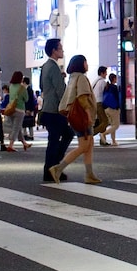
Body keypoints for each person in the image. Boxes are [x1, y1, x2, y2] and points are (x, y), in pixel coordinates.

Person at [49, 55, 101, 184]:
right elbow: (82, 98)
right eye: (86, 62)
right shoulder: (81, 78)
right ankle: (58, 169)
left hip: (74, 116)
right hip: (83, 116)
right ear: (81, 64)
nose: (87, 65)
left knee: (88, 145)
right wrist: (89, 115)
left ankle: (89, 174)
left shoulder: (72, 78)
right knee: (84, 146)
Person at [40, 39, 72, 182]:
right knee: (60, 138)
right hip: (55, 110)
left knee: (56, 139)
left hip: (48, 109)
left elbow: (44, 86)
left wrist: (61, 77)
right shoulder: (53, 67)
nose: (62, 50)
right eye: (60, 48)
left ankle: (52, 169)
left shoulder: (46, 66)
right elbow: (61, 90)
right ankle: (52, 169)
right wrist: (67, 106)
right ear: (54, 50)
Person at [3, 71, 30, 152]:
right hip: (20, 110)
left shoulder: (11, 86)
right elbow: (26, 99)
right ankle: (10, 145)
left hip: (11, 109)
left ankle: (24, 143)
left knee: (17, 128)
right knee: (16, 128)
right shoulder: (22, 88)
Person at [92, 66, 111, 146]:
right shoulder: (102, 81)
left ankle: (103, 141)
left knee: (101, 121)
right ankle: (91, 134)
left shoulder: (95, 81)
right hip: (99, 103)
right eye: (105, 72)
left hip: (94, 103)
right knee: (105, 121)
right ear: (102, 73)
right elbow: (105, 93)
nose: (106, 74)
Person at [102, 73, 122, 146]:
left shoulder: (107, 86)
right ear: (114, 79)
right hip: (113, 108)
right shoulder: (114, 87)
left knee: (113, 125)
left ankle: (113, 141)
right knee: (116, 125)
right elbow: (117, 98)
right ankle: (104, 134)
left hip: (106, 108)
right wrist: (118, 107)